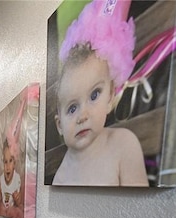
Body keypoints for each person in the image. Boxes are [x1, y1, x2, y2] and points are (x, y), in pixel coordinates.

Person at [52, 0, 149, 186]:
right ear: (60, 126)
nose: (83, 115)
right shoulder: (62, 173)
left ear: (111, 95)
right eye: (72, 108)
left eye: (94, 95)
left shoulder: (124, 144)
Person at [0, 139, 23, 218]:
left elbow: (19, 202)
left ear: (14, 163)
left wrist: (17, 199)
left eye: (10, 161)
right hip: (3, 211)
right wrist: (0, 197)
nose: (7, 166)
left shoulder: (17, 178)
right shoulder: (1, 178)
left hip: (13, 210)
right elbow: (2, 199)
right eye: (5, 162)